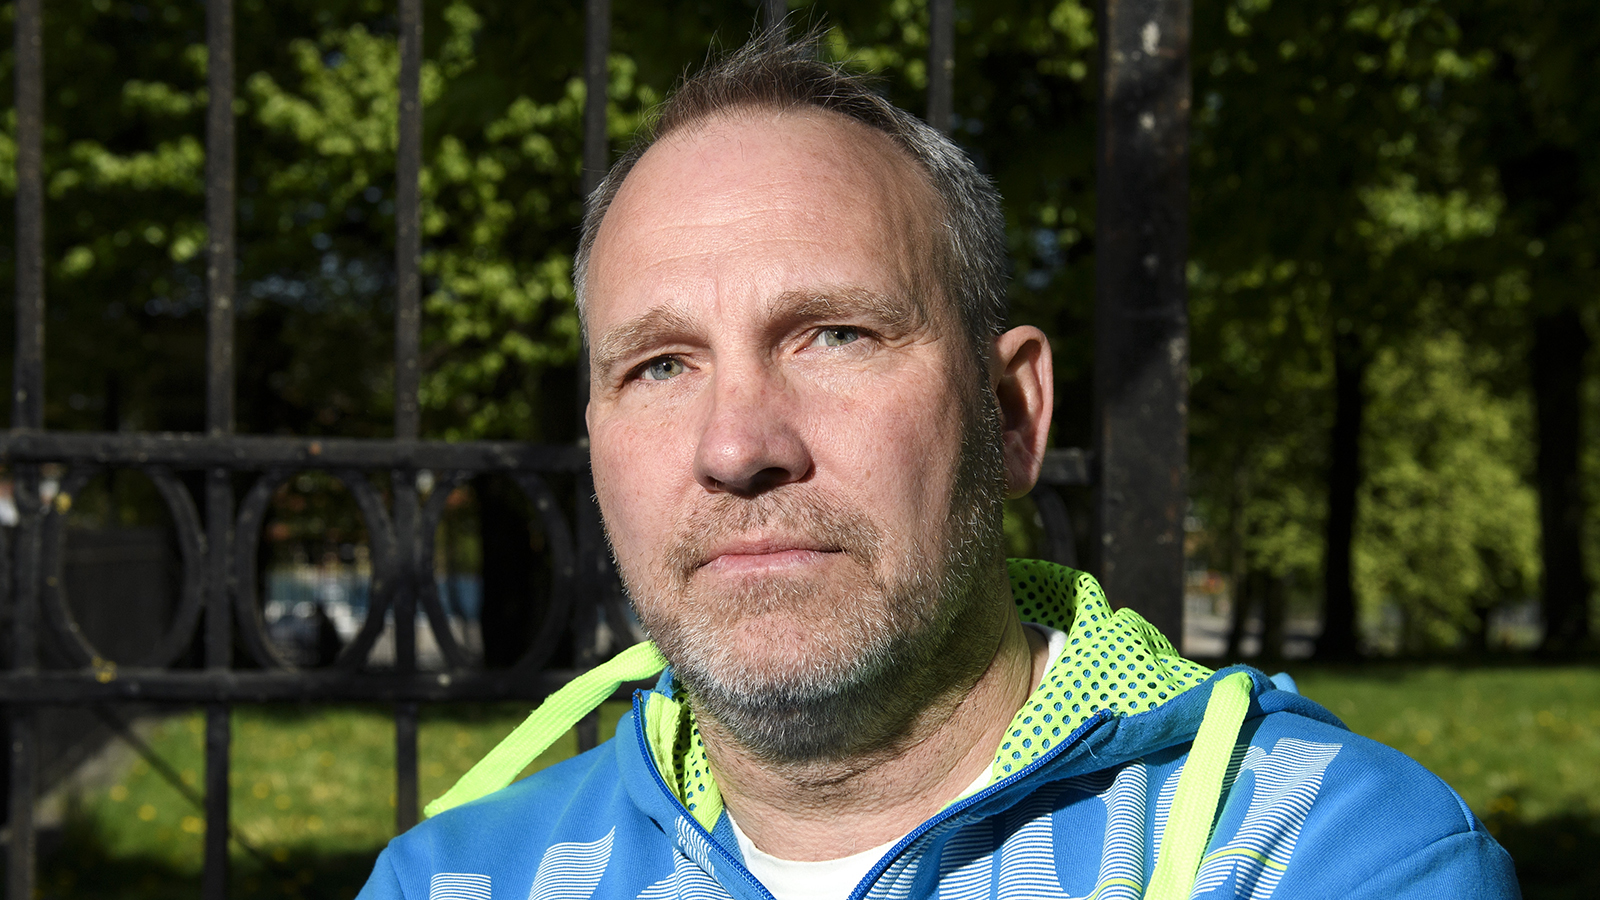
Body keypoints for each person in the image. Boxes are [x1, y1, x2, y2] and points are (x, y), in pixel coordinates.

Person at [358, 35, 1519, 900]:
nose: (737, 448)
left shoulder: (1332, 858)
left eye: (833, 336)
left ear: (1009, 416)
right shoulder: (450, 881)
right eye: (660, 365)